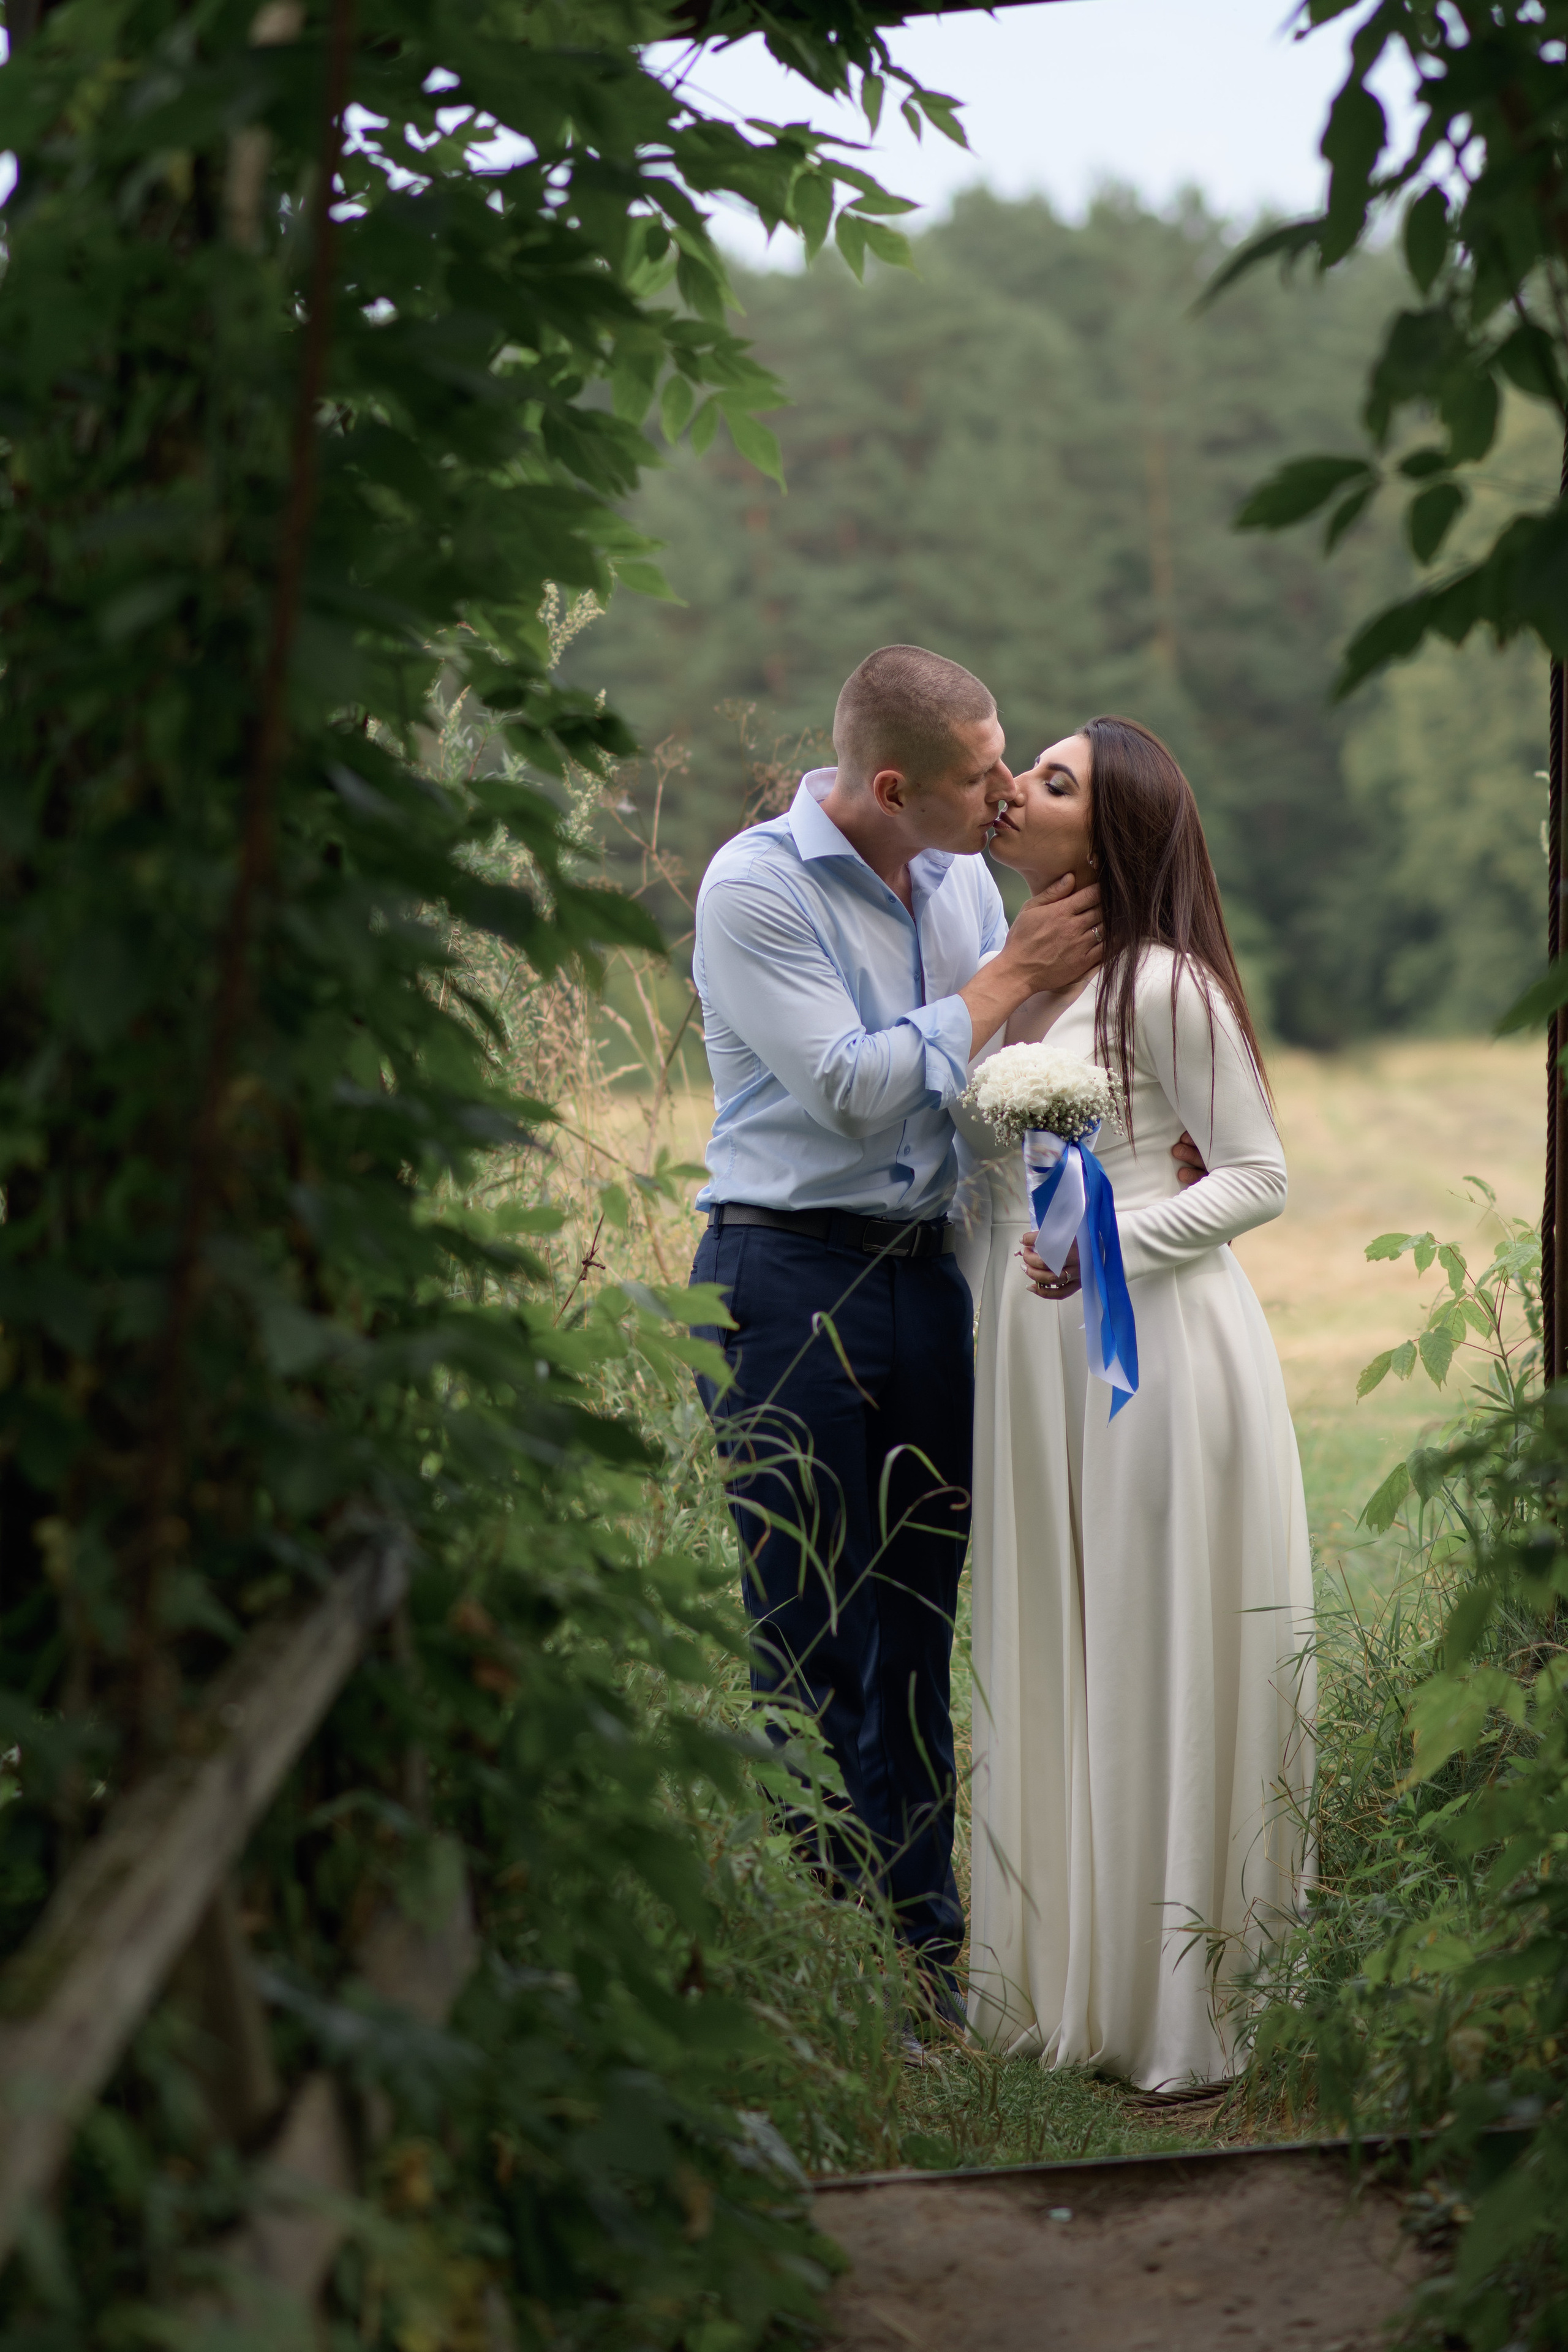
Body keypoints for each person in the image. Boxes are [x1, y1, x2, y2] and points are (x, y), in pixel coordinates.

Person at [687, 648, 1199, 2022]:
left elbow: (995, 1077)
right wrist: (1012, 971)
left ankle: (926, 1969)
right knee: (805, 1626)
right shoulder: (756, 888)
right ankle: (818, 1965)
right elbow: (857, 1089)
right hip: (781, 1276)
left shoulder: (959, 877)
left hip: (926, 1280)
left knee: (916, 1621)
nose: (1001, 791)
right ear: (895, 783)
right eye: (981, 772)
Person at [956, 715, 1315, 2089]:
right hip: (1035, 1354)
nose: (1014, 794)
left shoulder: (1164, 985)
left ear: (1109, 833)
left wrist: (1111, 1244)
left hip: (1149, 1352)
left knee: (1152, 1636)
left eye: (1050, 783)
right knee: (1060, 1634)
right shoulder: (1028, 985)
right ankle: (1064, 1981)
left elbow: (1254, 1175)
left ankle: (1174, 1998)